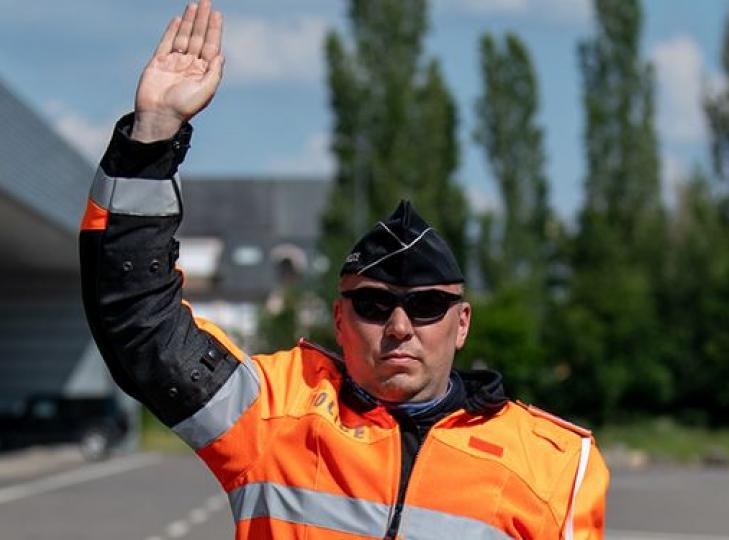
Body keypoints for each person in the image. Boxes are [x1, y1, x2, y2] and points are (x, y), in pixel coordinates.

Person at [78, 1, 609, 538]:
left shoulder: (555, 464)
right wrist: (152, 138)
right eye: (374, 305)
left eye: (427, 305)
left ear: (463, 321)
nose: (400, 328)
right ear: (339, 317)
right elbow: (139, 325)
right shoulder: (273, 416)